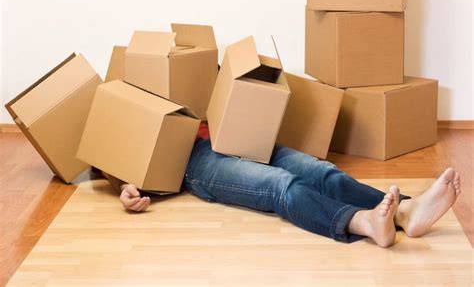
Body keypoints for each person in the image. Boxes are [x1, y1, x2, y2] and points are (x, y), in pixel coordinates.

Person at [106, 122, 461, 248]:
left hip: (235, 133)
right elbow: (115, 163)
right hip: (193, 161)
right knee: (281, 185)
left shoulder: (188, 74)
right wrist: (127, 186)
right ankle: (363, 222)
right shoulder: (121, 113)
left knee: (322, 172)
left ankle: (406, 210)